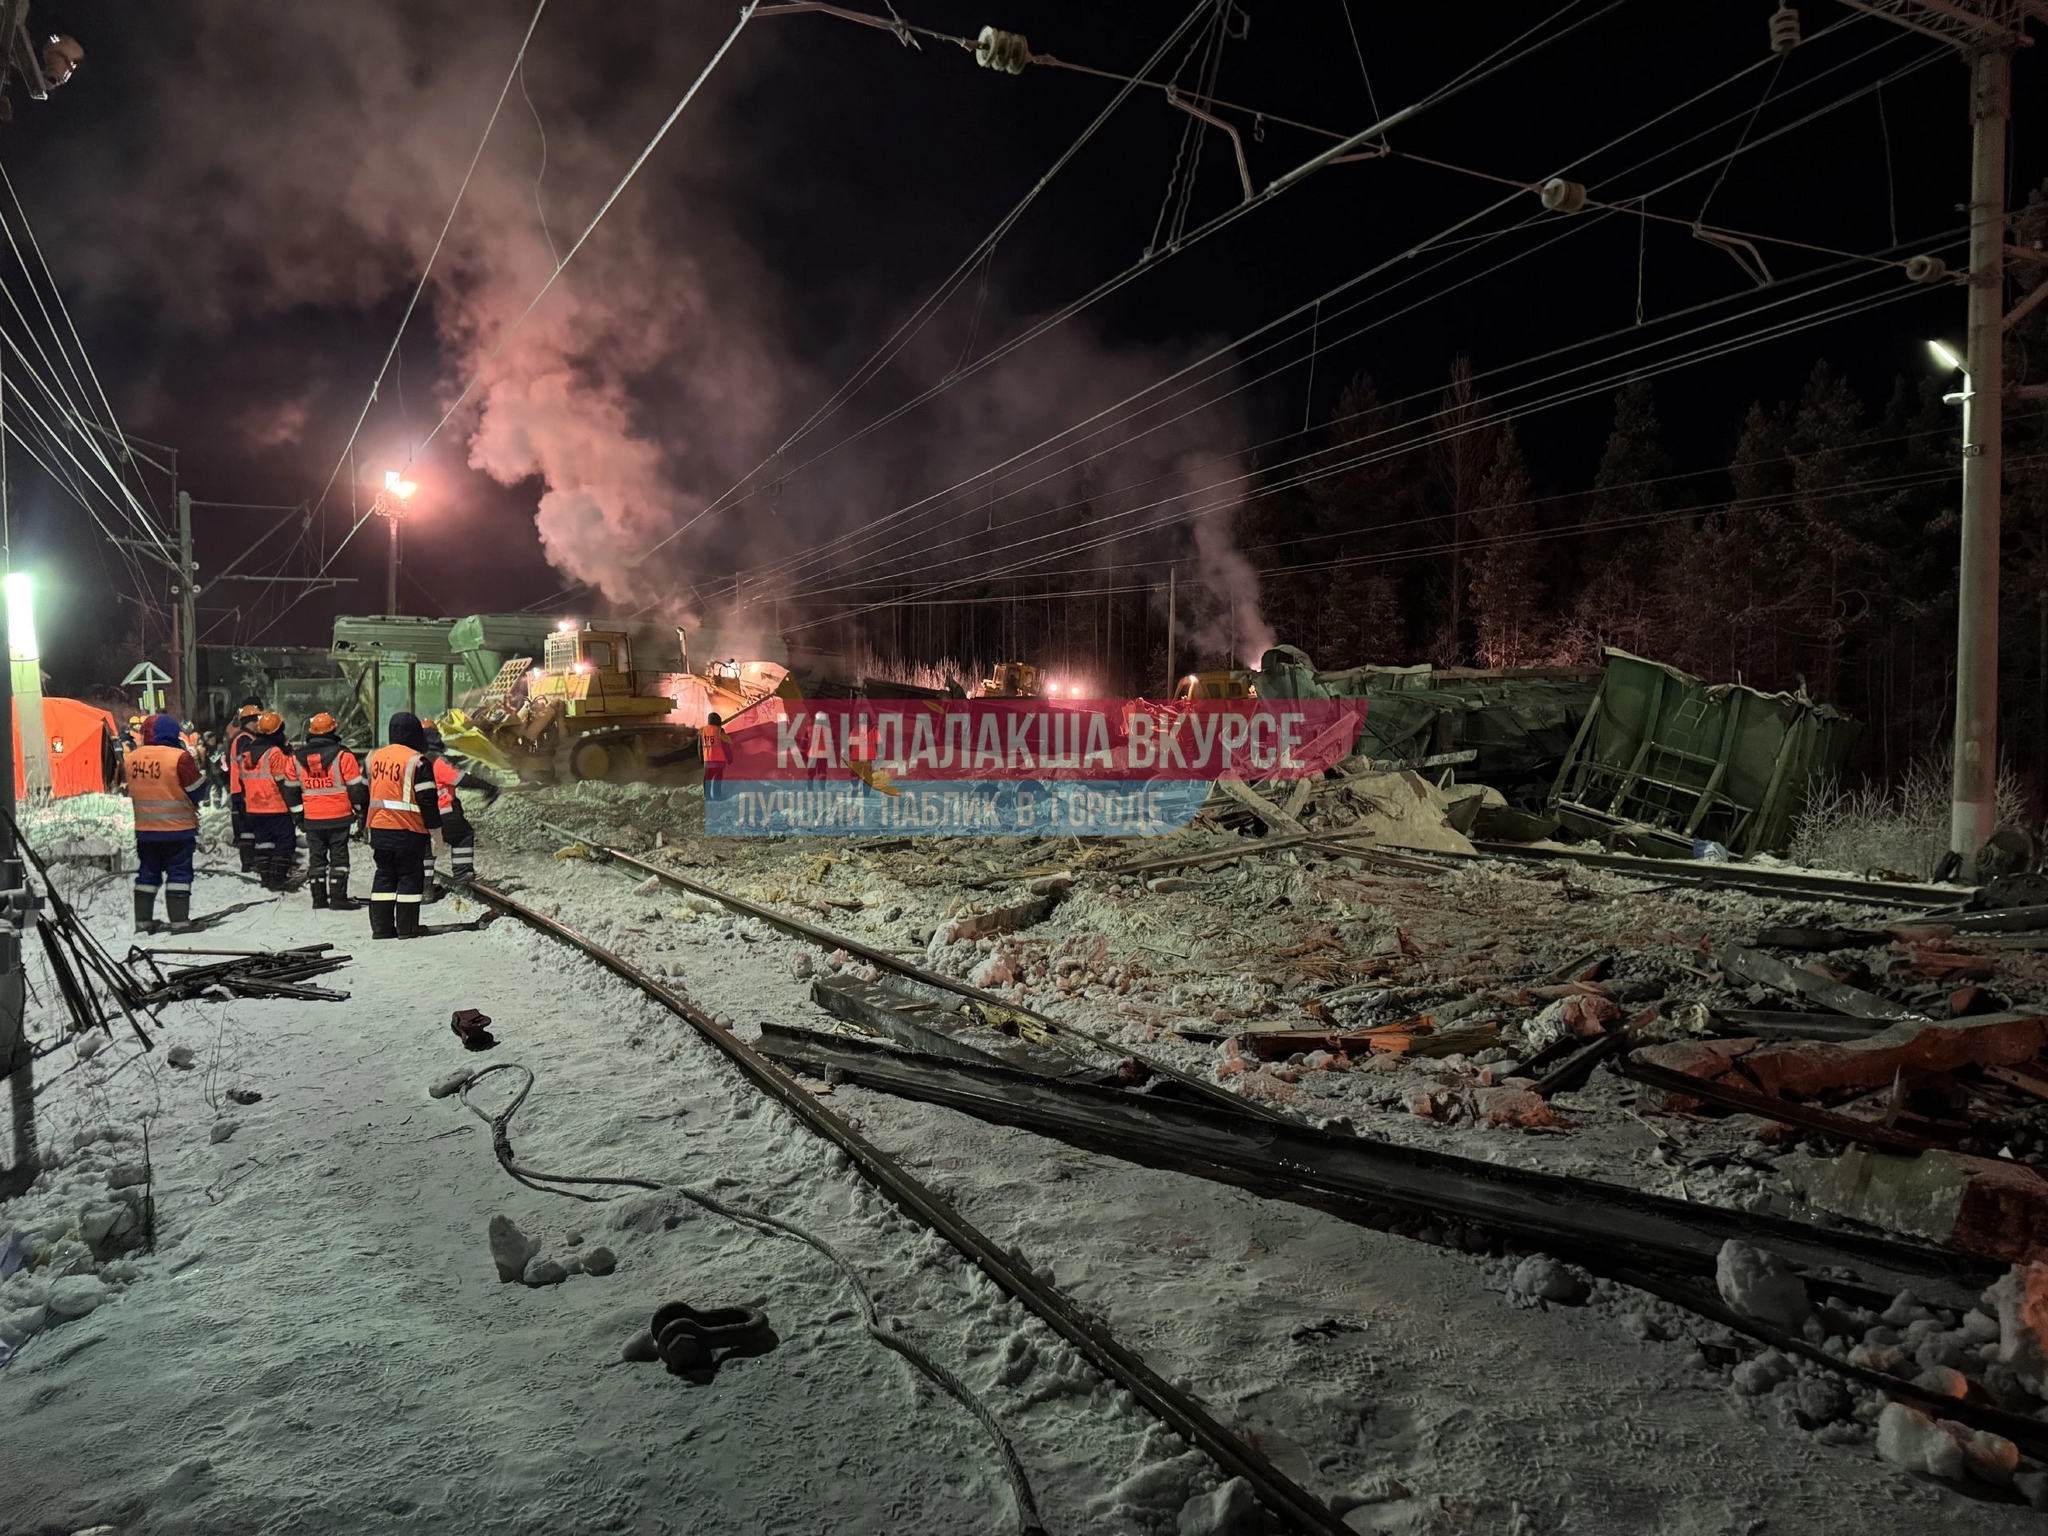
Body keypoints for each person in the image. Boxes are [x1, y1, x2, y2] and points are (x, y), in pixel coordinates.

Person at [364, 712, 442, 940]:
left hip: (378, 828)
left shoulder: (375, 757)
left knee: (384, 875)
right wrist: (436, 831)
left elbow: (361, 791)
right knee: (409, 876)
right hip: (407, 830)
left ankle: (381, 929)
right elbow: (427, 800)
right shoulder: (417, 761)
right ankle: (408, 929)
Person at [123, 713, 203, 934]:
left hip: (146, 830)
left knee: (147, 873)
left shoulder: (132, 759)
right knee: (179, 874)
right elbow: (197, 790)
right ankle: (179, 922)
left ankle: (143, 923)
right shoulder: (179, 757)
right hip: (178, 829)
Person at [288, 712, 367, 910]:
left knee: (317, 859)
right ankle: (339, 898)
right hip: (339, 817)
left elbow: (290, 792)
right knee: (339, 858)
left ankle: (319, 899)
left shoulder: (295, 759)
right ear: (333, 730)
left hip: (312, 818)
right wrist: (359, 812)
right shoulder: (344, 756)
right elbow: (355, 789)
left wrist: (299, 816)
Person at [420, 717, 499, 898]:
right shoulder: (437, 762)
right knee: (463, 836)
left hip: (420, 816)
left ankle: (425, 890)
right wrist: (488, 787)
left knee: (426, 850)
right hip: (444, 813)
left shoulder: (414, 761)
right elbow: (461, 779)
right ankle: (463, 876)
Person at [235, 710, 298, 890]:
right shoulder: (275, 753)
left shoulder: (246, 752)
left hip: (254, 807)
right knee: (285, 842)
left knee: (263, 842)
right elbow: (282, 782)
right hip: (275, 806)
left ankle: (265, 877)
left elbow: (242, 779)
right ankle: (277, 879)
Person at [223, 698, 263, 871]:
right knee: (248, 828)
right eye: (257, 721)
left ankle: (250, 862)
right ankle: (250, 862)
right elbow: (246, 765)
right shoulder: (244, 739)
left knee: (247, 828)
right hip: (244, 790)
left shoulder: (242, 737)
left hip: (240, 789)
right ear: (251, 722)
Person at [702, 712, 732, 802]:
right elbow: (725, 745)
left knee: (707, 778)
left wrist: (701, 758)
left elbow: (700, 745)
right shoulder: (720, 731)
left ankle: (707, 796)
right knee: (717, 779)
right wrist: (730, 757)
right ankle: (717, 796)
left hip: (707, 759)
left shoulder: (703, 731)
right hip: (718, 760)